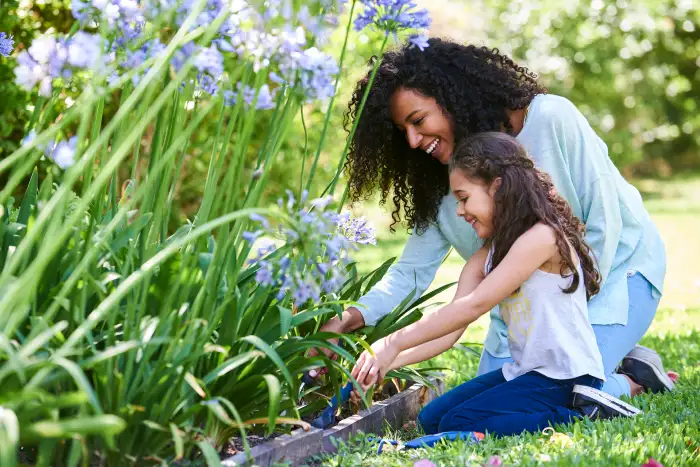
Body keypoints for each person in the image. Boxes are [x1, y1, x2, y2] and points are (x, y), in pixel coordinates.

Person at [312, 38, 674, 398]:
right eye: (402, 131)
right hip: (527, 316)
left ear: (452, 97)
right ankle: (619, 360)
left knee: (563, 392)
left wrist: (569, 325)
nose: (412, 140)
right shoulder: (443, 189)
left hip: (617, 277)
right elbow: (409, 273)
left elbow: (605, 223)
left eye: (418, 121)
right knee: (489, 398)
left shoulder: (549, 119)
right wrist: (349, 318)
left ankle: (631, 381)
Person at [351, 133, 639, 436]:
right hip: (526, 373)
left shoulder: (543, 238)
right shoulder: (488, 253)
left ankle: (586, 414)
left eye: (464, 198)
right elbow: (451, 327)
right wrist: (387, 362)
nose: (460, 211)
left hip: (567, 377)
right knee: (431, 419)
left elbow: (475, 305)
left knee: (456, 423)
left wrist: (392, 342)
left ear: (497, 186)